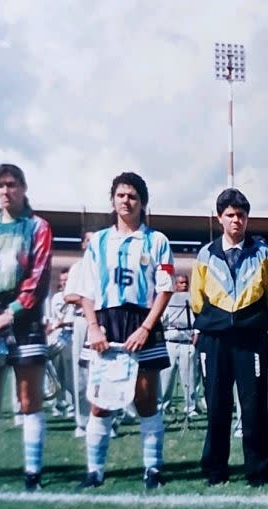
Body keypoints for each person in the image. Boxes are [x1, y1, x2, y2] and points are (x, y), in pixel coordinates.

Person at [75, 172, 174, 490]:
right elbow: (86, 289)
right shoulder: (99, 242)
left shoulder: (156, 241)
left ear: (142, 202)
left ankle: (152, 468)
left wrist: (147, 327)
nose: (126, 201)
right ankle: (95, 471)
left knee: (146, 398)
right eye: (121, 195)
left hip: (142, 322)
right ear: (113, 200)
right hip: (106, 323)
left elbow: (165, 289)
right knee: (100, 401)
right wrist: (93, 327)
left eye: (132, 196)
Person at [0, 164, 53, 491]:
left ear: (23, 187)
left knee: (29, 399)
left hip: (24, 321)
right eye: (0, 186)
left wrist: (11, 314)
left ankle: (32, 472)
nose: (6, 191)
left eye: (11, 185)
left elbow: (39, 277)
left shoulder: (38, 227)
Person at [192, 188, 268, 487]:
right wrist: (214, 322)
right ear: (220, 218)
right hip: (214, 340)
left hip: (250, 339)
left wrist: (254, 321)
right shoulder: (206, 254)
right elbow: (197, 298)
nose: (236, 221)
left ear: (247, 218)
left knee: (253, 405)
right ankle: (215, 469)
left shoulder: (263, 253)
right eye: (230, 215)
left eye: (241, 215)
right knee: (217, 404)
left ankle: (258, 470)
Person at [64, 232, 93, 438]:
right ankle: (82, 423)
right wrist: (89, 301)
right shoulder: (77, 268)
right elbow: (69, 295)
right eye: (88, 240)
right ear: (83, 244)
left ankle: (110, 421)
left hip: (105, 320)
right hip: (83, 320)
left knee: (105, 372)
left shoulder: (107, 264)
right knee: (81, 373)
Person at [160, 274, 200, 418]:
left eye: (186, 283)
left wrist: (196, 333)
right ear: (175, 285)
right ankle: (164, 406)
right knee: (166, 377)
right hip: (170, 342)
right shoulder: (168, 300)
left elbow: (198, 319)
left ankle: (190, 407)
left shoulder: (193, 299)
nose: (184, 285)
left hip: (187, 342)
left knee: (189, 377)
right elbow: (161, 319)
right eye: (181, 283)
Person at [45, 269, 75, 418]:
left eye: (66, 280)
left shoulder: (76, 297)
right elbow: (52, 318)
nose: (63, 283)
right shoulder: (56, 297)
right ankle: (59, 403)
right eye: (62, 281)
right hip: (57, 339)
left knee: (70, 375)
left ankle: (72, 406)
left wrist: (58, 324)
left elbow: (72, 320)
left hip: (71, 338)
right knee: (57, 375)